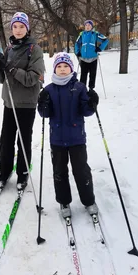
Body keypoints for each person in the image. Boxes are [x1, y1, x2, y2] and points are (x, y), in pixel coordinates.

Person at [37, 52, 99, 218]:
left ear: (71, 68)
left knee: (81, 170)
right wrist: (42, 103)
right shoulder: (49, 89)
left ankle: (89, 200)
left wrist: (92, 102)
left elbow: (86, 111)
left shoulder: (79, 87)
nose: (63, 69)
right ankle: (64, 200)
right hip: (57, 139)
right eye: (59, 67)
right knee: (59, 171)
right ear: (55, 69)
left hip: (77, 139)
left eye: (66, 66)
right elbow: (45, 113)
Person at [0, 12, 45, 190]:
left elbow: (32, 78)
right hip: (9, 102)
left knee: (23, 140)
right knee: (6, 140)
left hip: (26, 103)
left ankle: (22, 173)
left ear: (27, 28)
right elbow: (1, 79)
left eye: (22, 26)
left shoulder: (34, 49)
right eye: (15, 26)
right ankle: (5, 172)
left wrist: (10, 68)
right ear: (11, 28)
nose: (18, 30)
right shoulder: (9, 49)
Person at [74, 20, 109, 89]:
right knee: (83, 74)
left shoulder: (95, 34)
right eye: (86, 25)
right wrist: (77, 51)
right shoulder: (82, 34)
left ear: (92, 27)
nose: (87, 27)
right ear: (84, 26)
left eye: (89, 25)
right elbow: (77, 43)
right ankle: (82, 89)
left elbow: (105, 40)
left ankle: (91, 89)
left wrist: (100, 48)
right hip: (84, 58)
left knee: (92, 74)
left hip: (93, 58)